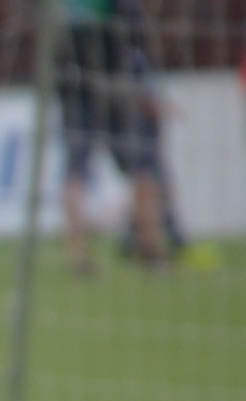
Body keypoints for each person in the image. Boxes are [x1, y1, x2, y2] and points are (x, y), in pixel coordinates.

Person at [55, 0, 173, 271]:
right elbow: (135, 28)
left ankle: (77, 254)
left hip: (75, 83)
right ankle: (151, 249)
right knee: (142, 165)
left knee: (76, 171)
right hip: (115, 80)